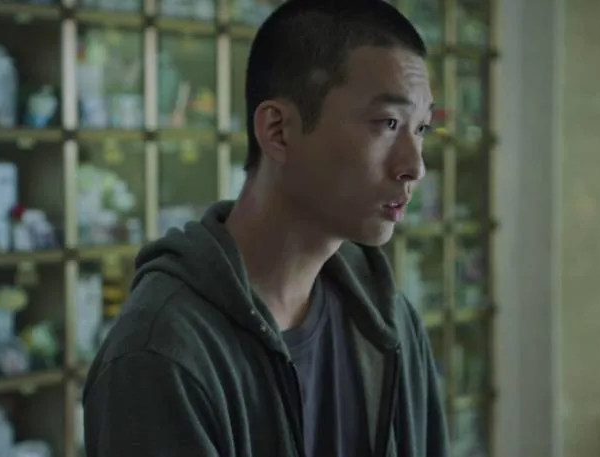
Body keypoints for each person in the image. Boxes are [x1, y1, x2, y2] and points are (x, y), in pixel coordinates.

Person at [83, 0, 449, 456]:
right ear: (278, 131)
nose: (415, 166)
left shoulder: (387, 320)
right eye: (388, 123)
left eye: (421, 129)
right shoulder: (160, 355)